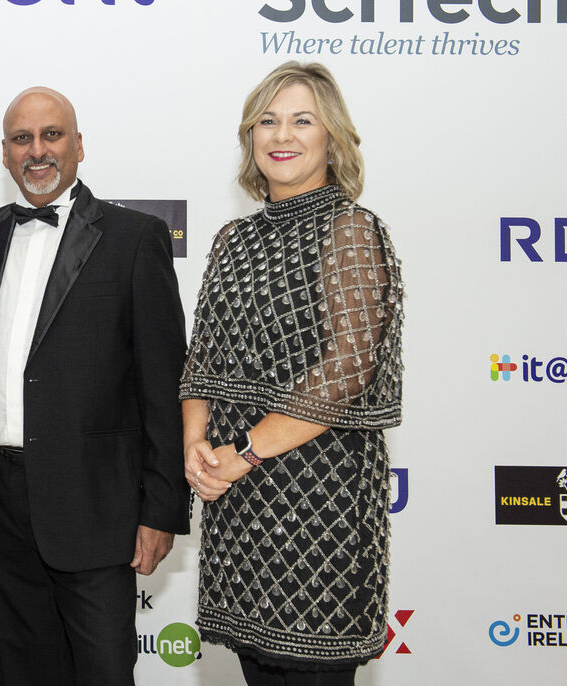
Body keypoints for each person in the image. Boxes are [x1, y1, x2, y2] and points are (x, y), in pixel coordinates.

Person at [0, 87, 189, 686]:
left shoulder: (135, 237)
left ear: (78, 145)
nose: (37, 151)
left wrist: (160, 508)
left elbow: (163, 385)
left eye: (51, 135)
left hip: (96, 505)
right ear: (4, 155)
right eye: (21, 139)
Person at [181, 61, 405, 686]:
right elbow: (202, 360)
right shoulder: (233, 239)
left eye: (302, 120)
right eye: (268, 121)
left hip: (320, 507)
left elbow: (346, 370)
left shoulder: (352, 231)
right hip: (237, 503)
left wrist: (241, 453)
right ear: (251, 138)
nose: (283, 135)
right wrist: (196, 448)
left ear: (331, 137)